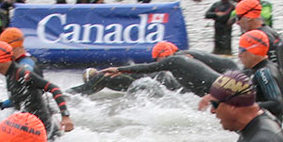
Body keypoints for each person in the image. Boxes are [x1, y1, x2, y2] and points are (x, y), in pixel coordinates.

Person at [74, 40, 234, 97]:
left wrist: (120, 69)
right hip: (221, 85)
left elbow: (150, 67)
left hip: (221, 84)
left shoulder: (180, 58)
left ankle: (72, 94)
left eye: (159, 59)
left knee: (146, 82)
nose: (160, 64)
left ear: (165, 54)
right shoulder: (188, 57)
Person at [0, 41, 72, 135]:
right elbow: (18, 99)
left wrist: (65, 116)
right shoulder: (10, 75)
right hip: (32, 128)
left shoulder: (21, 74)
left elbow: (54, 88)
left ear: (1, 60)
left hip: (44, 131)